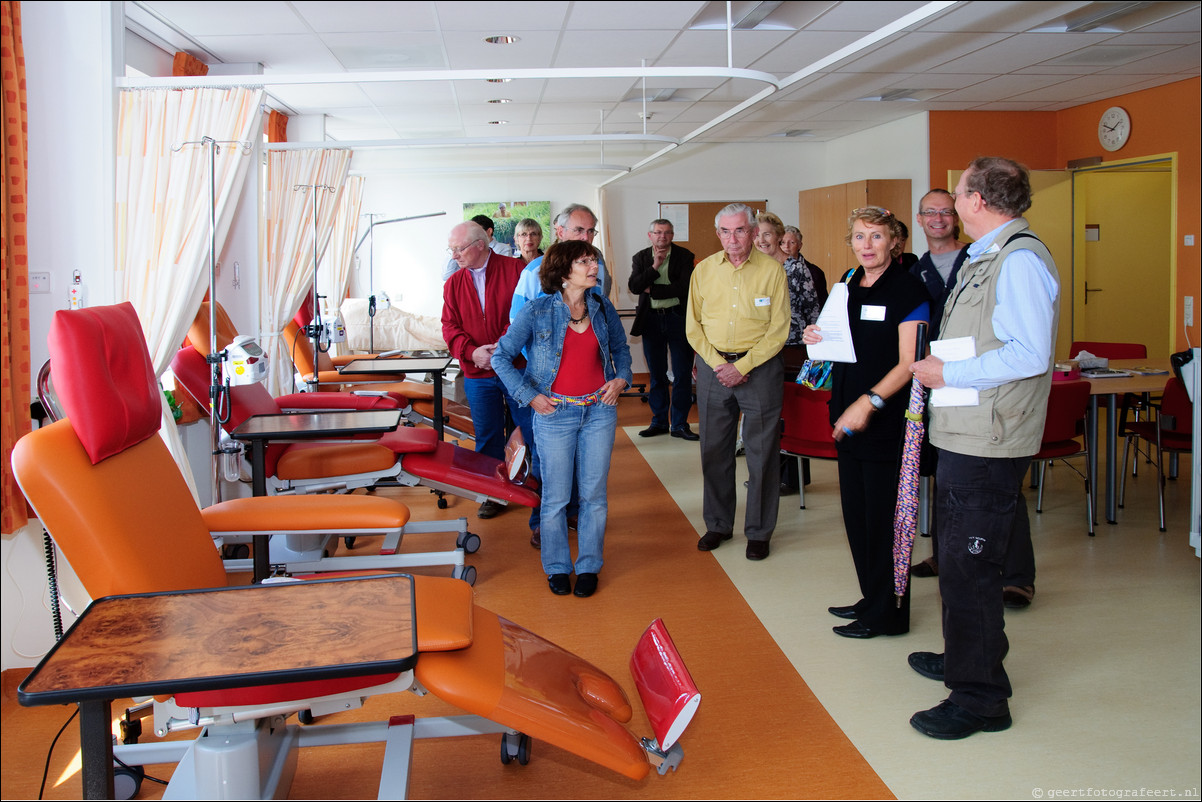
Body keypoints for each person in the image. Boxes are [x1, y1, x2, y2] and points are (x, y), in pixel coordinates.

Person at [908, 156, 1059, 740]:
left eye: (960, 193)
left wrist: (949, 373)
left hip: (990, 437)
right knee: (954, 561)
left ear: (976, 200)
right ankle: (962, 659)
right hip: (966, 431)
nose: (953, 205)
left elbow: (1028, 353)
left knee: (971, 568)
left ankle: (980, 698)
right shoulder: (988, 254)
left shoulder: (1019, 260)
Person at [803, 207, 930, 640]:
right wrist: (814, 335)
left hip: (885, 418)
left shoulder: (908, 288)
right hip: (847, 415)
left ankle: (889, 613)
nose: (867, 246)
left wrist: (869, 401)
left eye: (876, 237)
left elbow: (910, 362)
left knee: (884, 520)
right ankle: (871, 596)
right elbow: (836, 336)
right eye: (859, 237)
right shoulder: (848, 282)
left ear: (895, 241)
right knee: (856, 516)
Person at [492, 240, 632, 598]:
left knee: (594, 496)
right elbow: (501, 357)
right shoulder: (537, 311)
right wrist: (529, 395)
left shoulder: (601, 306)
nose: (593, 266)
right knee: (554, 498)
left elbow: (620, 349)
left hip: (600, 411)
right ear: (563, 270)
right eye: (584, 261)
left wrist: (622, 378)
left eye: (593, 260)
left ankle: (588, 566)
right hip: (556, 414)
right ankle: (556, 567)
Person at [687, 203, 789, 561]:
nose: (734, 239)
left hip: (759, 370)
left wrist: (744, 365)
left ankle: (759, 532)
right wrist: (719, 365)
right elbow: (693, 327)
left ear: (754, 231)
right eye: (726, 232)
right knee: (714, 451)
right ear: (718, 234)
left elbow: (779, 329)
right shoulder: (703, 272)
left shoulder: (773, 271)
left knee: (762, 455)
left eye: (741, 231)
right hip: (715, 369)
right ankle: (718, 524)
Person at [441, 221, 529, 520]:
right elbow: (449, 327)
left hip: (516, 369)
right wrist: (472, 352)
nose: (454, 255)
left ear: (481, 244)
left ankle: (535, 485)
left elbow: (523, 316)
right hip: (478, 372)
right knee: (487, 434)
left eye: (459, 248)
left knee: (530, 428)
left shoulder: (516, 270)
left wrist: (501, 350)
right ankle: (492, 491)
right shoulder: (453, 283)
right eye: (451, 249)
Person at [908, 189, 970, 579]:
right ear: (919, 219)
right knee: (941, 474)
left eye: (945, 212)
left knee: (986, 477)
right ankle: (942, 554)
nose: (938, 219)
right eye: (930, 212)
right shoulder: (916, 272)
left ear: (956, 217)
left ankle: (1015, 575)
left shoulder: (978, 260)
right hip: (933, 382)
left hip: (974, 379)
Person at [629, 218, 698, 441]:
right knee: (657, 375)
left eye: (667, 232)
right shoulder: (641, 257)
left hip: (677, 319)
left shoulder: (685, 256)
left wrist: (653, 290)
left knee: (682, 374)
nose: (663, 236)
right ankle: (659, 421)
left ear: (672, 235)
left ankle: (679, 424)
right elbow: (635, 286)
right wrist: (655, 266)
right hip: (651, 321)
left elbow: (683, 288)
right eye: (658, 232)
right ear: (650, 235)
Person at [511, 203, 610, 322]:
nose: (585, 237)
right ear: (561, 232)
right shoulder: (535, 269)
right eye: (579, 230)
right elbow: (517, 321)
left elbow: (602, 307)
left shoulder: (597, 264)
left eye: (590, 231)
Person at [442, 214, 515, 280]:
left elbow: (497, 274)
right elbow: (446, 276)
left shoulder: (503, 249)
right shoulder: (460, 251)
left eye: (478, 230)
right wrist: (456, 247)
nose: (474, 234)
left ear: (489, 231)